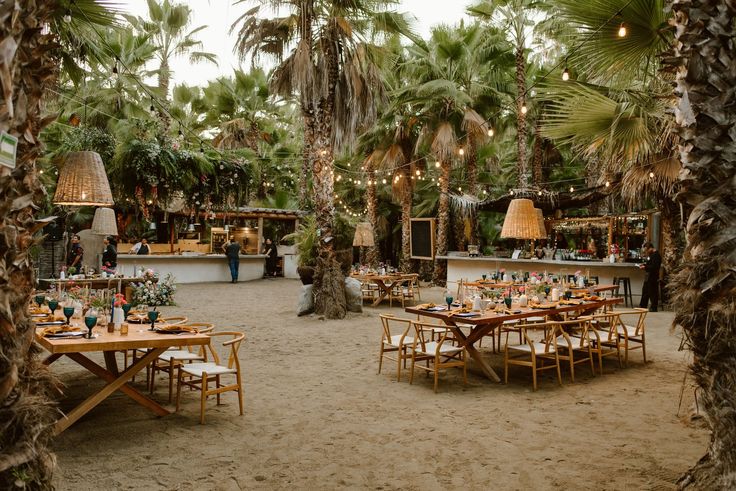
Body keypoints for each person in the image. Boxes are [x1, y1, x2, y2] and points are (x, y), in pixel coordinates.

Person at [638, 242, 661, 312]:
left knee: (653, 292)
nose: (646, 252)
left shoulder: (656, 255)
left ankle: (654, 307)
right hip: (649, 276)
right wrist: (645, 265)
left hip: (653, 276)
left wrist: (645, 267)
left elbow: (654, 267)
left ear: (650, 248)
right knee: (645, 291)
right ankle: (642, 305)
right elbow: (650, 264)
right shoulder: (652, 255)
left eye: (647, 250)